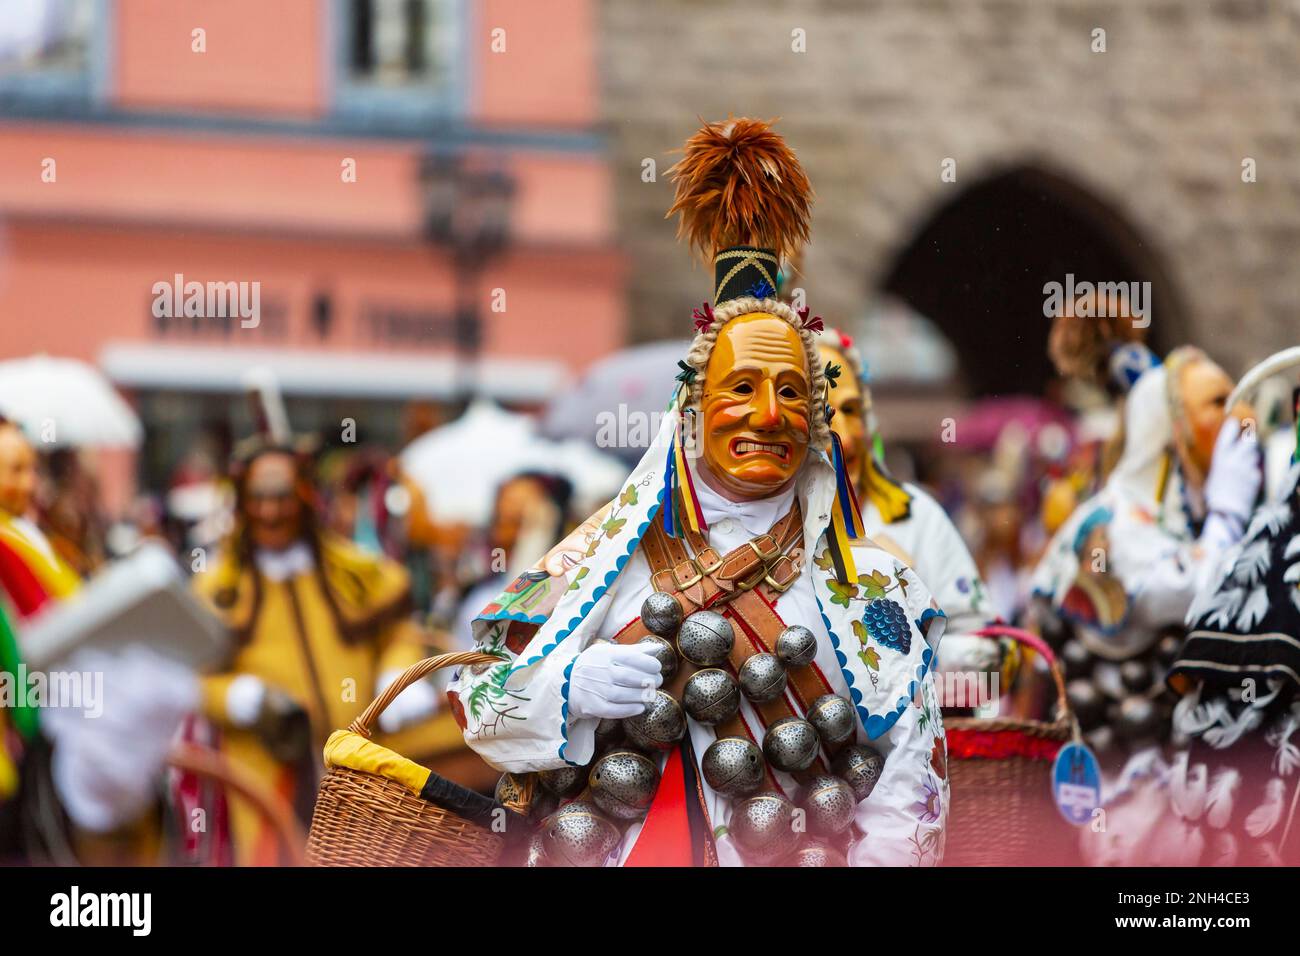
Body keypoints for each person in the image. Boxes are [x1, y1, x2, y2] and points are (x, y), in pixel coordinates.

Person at [450, 118, 948, 867]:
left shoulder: (874, 586)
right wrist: (566, 688)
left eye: (790, 392)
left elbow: (912, 771)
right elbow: (475, 703)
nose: (768, 414)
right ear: (690, 412)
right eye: (740, 387)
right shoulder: (598, 559)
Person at [192, 434, 437, 865]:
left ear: (305, 497)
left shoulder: (357, 572)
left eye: (283, 496)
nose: (271, 511)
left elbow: (400, 632)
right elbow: (187, 678)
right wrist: (234, 697)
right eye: (258, 498)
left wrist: (398, 676)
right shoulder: (215, 589)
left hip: (364, 771)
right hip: (266, 778)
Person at [1031, 347, 1261, 763]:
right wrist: (1229, 511)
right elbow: (1195, 595)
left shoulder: (1192, 525)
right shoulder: (1117, 524)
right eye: (1218, 403)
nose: (1242, 416)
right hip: (1117, 784)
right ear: (1171, 430)